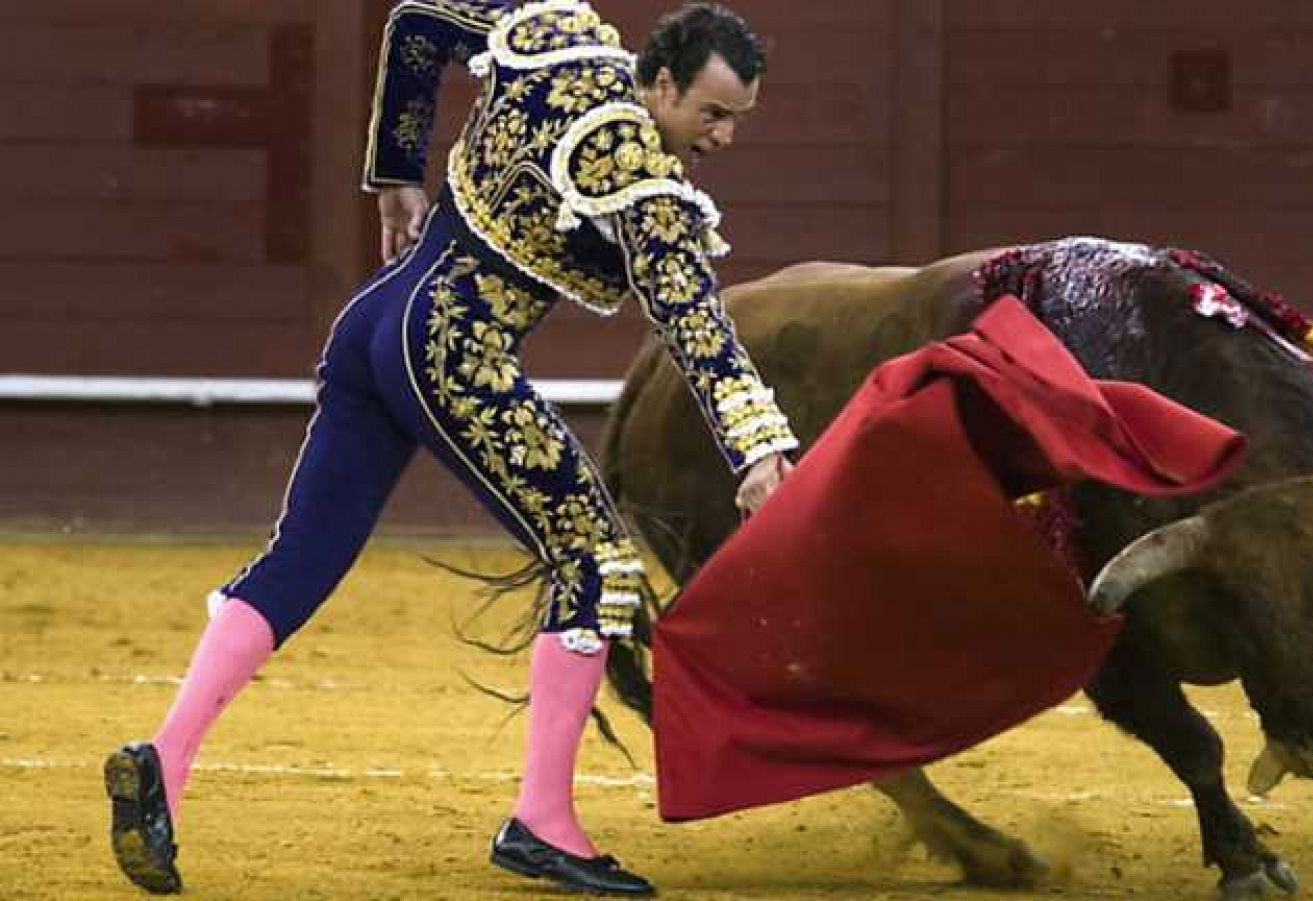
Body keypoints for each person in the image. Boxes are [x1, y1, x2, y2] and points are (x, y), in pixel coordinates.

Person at [104, 2, 796, 895]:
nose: (724, 136)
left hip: (373, 323)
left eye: (738, 116)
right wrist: (757, 449)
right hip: (447, 349)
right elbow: (694, 321)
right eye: (711, 112)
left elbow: (418, 23)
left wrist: (397, 172)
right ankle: (542, 818)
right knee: (594, 559)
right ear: (661, 83)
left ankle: (164, 759)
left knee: (301, 558)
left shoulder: (559, 35)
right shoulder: (637, 175)